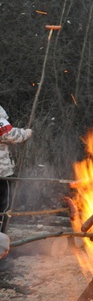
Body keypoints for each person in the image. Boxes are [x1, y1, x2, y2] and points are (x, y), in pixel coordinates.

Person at [1, 105, 32, 248]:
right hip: (2, 174)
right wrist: (26, 133)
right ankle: (1, 240)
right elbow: (9, 134)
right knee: (4, 208)